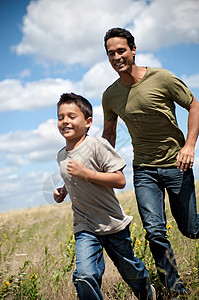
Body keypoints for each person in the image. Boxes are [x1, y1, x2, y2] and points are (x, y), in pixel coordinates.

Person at [102, 27, 199, 297]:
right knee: (155, 231)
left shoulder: (162, 78)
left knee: (191, 229)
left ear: (133, 49)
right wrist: (96, 167)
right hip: (144, 170)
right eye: (111, 53)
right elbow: (108, 134)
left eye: (121, 50)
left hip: (177, 166)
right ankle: (174, 288)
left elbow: (194, 105)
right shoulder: (110, 95)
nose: (117, 57)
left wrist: (189, 145)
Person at [53, 92, 156, 300]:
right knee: (84, 275)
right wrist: (63, 190)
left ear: (88, 122)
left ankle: (147, 292)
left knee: (131, 271)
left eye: (72, 116)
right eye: (61, 117)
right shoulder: (61, 155)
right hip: (85, 226)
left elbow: (119, 180)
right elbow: (73, 177)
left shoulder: (97, 145)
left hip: (112, 224)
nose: (65, 121)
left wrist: (87, 174)